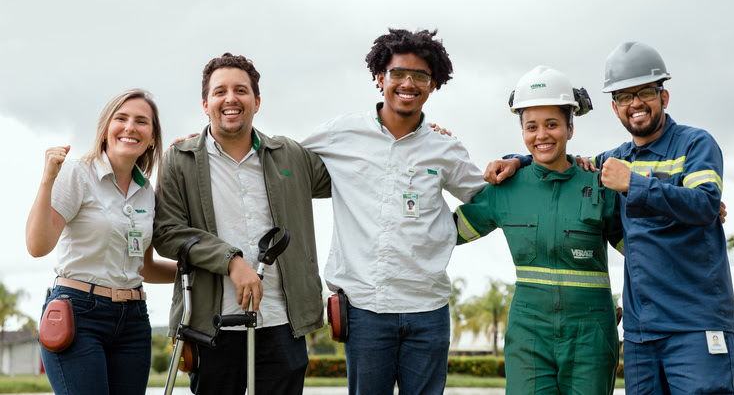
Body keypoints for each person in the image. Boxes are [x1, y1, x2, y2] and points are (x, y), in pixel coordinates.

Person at [486, 42, 734, 394]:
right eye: (623, 96)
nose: (635, 103)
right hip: (639, 332)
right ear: (615, 107)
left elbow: (707, 204)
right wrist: (518, 160)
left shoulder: (696, 145)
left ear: (664, 96)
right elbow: (561, 163)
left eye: (644, 92)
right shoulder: (611, 162)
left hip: (695, 325)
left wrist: (633, 184)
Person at [301, 28, 485, 395]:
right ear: (379, 78)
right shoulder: (341, 133)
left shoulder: (445, 147)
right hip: (365, 309)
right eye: (398, 73)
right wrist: (202, 142)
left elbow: (486, 200)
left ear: (433, 85)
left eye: (420, 76)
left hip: (428, 310)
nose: (408, 83)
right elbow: (277, 163)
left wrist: (452, 233)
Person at [152, 53, 331, 395]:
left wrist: (418, 132)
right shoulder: (179, 160)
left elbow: (355, 172)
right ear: (206, 104)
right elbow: (166, 233)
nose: (230, 99)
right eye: (220, 92)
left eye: (241, 90)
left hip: (282, 323)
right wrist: (231, 261)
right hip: (212, 327)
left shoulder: (291, 155)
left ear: (257, 101)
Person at [453, 66, 623, 394]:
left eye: (552, 125)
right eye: (531, 127)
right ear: (522, 131)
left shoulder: (599, 184)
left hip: (591, 336)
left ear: (570, 128)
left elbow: (643, 250)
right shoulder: (505, 188)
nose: (541, 135)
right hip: (529, 336)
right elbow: (446, 233)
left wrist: (690, 209)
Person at [26, 89, 176, 395]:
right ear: (105, 130)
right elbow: (37, 246)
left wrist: (198, 271)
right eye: (121, 118)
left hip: (133, 321)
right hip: (78, 314)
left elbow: (144, 268)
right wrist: (47, 181)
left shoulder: (147, 190)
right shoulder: (78, 173)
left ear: (152, 138)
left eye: (142, 122)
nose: (131, 127)